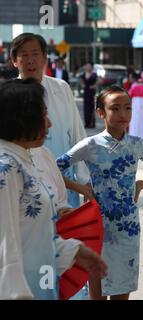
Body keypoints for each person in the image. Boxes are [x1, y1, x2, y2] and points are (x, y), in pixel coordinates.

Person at [0, 78, 107, 300]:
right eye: (43, 115)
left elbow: (32, 234)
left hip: (39, 283)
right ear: (21, 119)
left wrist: (74, 251)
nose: (49, 123)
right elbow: (6, 243)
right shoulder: (6, 168)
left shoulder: (25, 160)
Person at [56, 85, 143, 300]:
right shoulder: (90, 144)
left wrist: (141, 184)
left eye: (127, 108)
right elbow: (54, 168)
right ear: (101, 112)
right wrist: (81, 188)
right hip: (97, 224)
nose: (123, 115)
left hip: (128, 226)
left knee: (123, 287)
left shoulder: (137, 144)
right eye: (115, 108)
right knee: (97, 288)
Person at [10, 33, 90, 208]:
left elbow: (78, 136)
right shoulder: (10, 96)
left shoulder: (61, 88)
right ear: (14, 60)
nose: (30, 60)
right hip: (27, 187)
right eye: (24, 55)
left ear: (45, 57)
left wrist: (86, 181)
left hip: (67, 186)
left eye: (35, 54)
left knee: (68, 232)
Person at [80, 62, 98, 128]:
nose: (88, 67)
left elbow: (97, 82)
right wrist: (82, 85)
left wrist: (94, 86)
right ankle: (86, 123)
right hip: (86, 92)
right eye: (87, 66)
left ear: (92, 67)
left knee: (91, 108)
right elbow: (81, 81)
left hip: (91, 93)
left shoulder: (94, 75)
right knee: (86, 108)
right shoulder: (83, 74)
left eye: (89, 66)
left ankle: (92, 123)